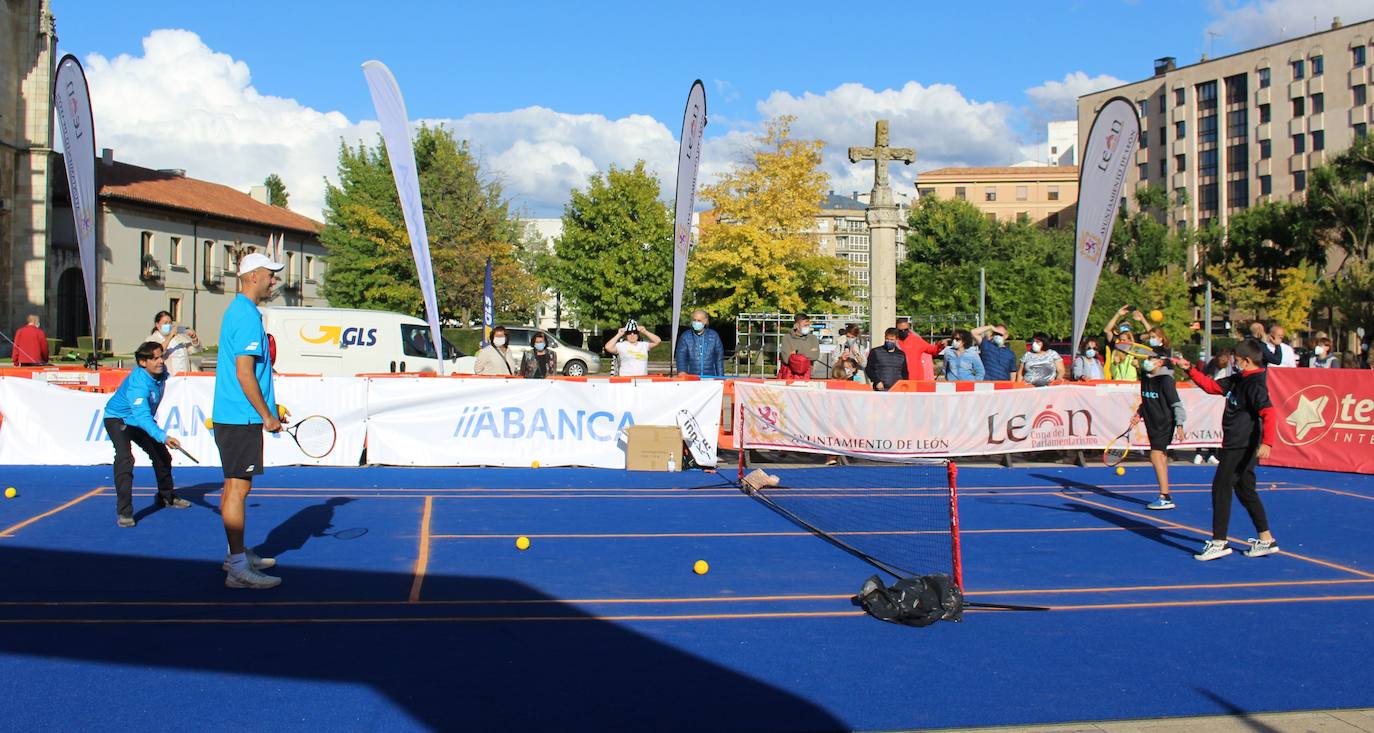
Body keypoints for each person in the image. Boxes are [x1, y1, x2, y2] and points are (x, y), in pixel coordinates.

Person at [213, 252, 285, 589]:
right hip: (240, 417)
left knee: (234, 487)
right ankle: (238, 567)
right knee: (238, 490)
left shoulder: (242, 312)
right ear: (254, 275)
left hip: (237, 416)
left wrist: (270, 409)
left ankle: (237, 554)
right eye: (270, 275)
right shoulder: (244, 316)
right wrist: (266, 415)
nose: (274, 281)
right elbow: (245, 373)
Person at [1178, 340, 1280, 561]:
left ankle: (1219, 542)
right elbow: (1212, 386)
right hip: (1235, 442)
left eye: (1236, 359)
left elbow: (1269, 413)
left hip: (1241, 444)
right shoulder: (1238, 379)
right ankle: (1266, 538)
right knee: (1245, 490)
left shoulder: (1255, 384)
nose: (1233, 362)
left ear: (1246, 361)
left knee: (1221, 487)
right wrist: (1190, 370)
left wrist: (1267, 443)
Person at [103, 341, 191, 527]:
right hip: (118, 419)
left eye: (161, 356)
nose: (161, 361)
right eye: (155, 358)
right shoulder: (138, 384)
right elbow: (142, 417)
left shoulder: (161, 374)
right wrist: (164, 437)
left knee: (162, 456)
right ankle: (124, 512)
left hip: (138, 420)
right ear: (143, 363)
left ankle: (166, 497)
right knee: (125, 459)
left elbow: (144, 417)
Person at [1132, 348, 1187, 510]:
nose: (1147, 361)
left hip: (1164, 423)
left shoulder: (1166, 380)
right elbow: (1148, 400)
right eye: (1147, 358)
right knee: (1161, 456)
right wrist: (1139, 413)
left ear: (1160, 361)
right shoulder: (1145, 377)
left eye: (1151, 358)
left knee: (1155, 455)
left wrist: (1179, 425)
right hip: (1151, 422)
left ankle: (1165, 496)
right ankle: (1166, 494)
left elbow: (1176, 404)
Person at [675, 309, 724, 377]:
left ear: (705, 321)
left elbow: (719, 360)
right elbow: (681, 357)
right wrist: (681, 372)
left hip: (710, 378)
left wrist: (721, 378)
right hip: (691, 378)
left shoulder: (714, 336)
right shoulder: (685, 336)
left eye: (699, 320)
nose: (696, 322)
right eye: (694, 320)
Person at [150, 310, 201, 375]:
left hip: (185, 376)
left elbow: (195, 350)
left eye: (170, 323)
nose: (168, 325)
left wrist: (194, 338)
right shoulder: (152, 339)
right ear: (157, 325)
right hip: (169, 377)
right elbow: (158, 352)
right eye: (165, 323)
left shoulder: (178, 337)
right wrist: (170, 336)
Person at [779, 314, 820, 379]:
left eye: (808, 325)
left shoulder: (813, 338)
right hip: (789, 376)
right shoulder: (786, 338)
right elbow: (786, 359)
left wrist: (796, 352)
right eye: (805, 325)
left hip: (807, 376)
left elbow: (815, 356)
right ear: (797, 326)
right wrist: (808, 352)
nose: (808, 327)